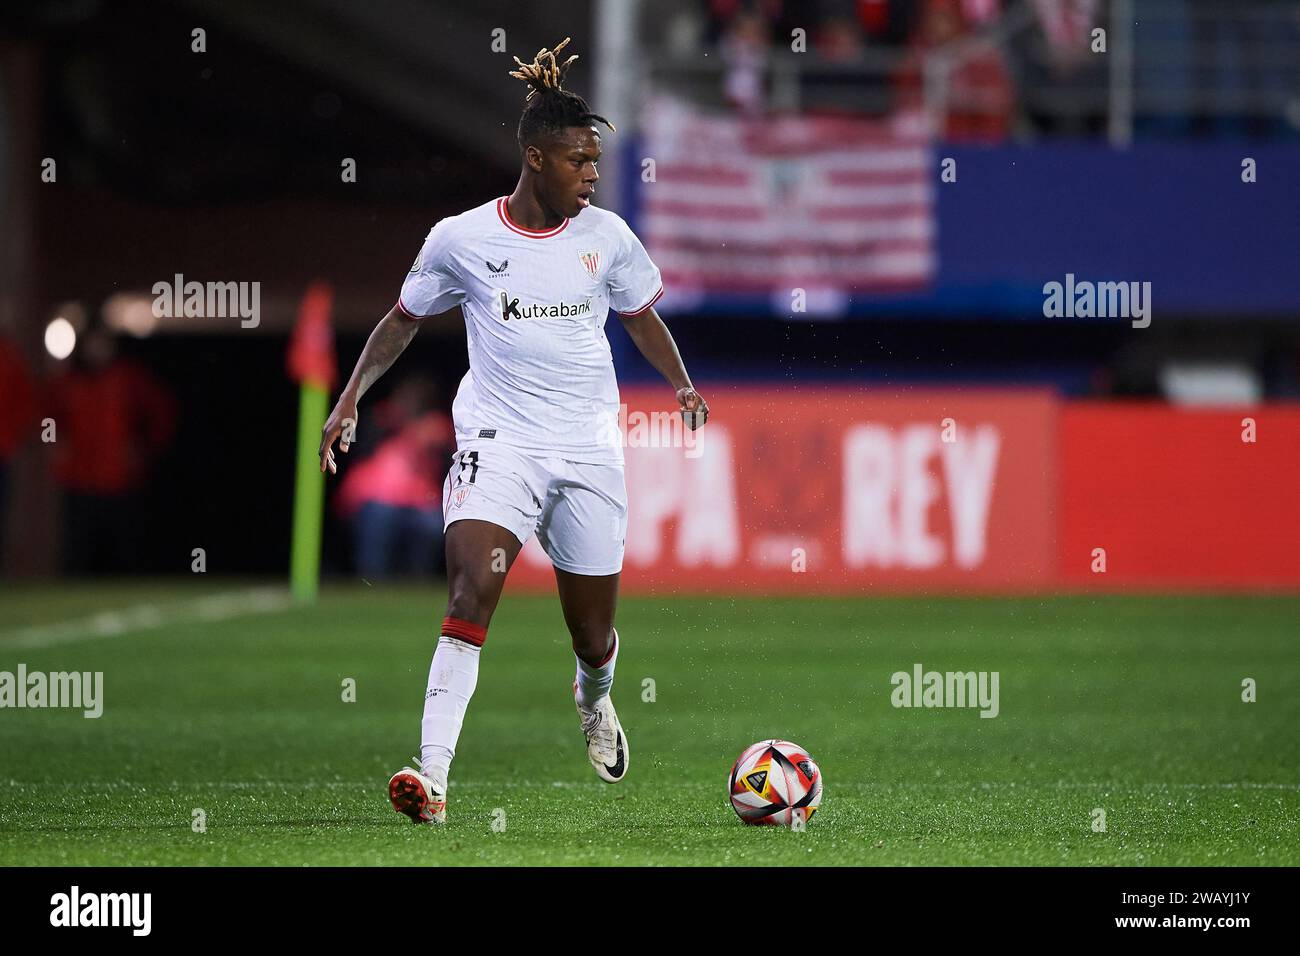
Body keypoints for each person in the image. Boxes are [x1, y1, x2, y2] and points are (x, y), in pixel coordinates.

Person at [318, 37, 710, 824]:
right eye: (579, 163)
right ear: (536, 158)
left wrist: (682, 383)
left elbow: (642, 318)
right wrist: (351, 396)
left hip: (588, 451)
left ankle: (593, 699)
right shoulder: (463, 240)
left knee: (594, 635)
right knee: (472, 592)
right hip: (500, 443)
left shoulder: (607, 238)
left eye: (595, 163)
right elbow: (401, 322)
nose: (591, 177)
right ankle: (431, 778)